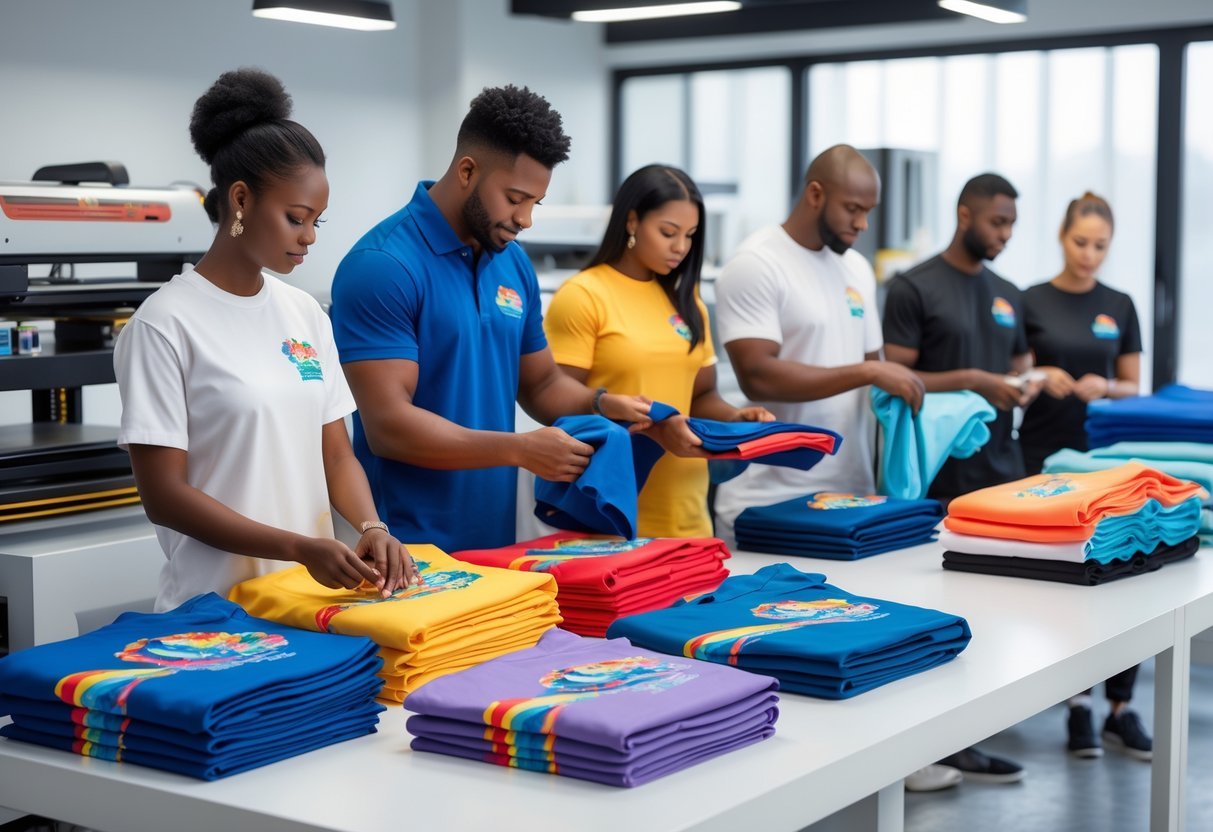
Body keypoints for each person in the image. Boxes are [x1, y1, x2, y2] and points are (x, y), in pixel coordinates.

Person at [114, 68, 416, 613]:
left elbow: (337, 454)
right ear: (240, 200)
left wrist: (371, 525)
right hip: (213, 611)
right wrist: (296, 547)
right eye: (296, 218)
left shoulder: (304, 314)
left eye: (318, 221)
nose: (310, 238)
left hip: (308, 603)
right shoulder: (163, 324)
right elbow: (165, 497)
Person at [329, 86, 658, 554]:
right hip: (406, 549)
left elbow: (542, 385)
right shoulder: (382, 266)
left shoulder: (513, 263)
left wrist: (603, 403)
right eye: (515, 198)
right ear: (467, 171)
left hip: (497, 542)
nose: (525, 219)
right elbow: (389, 427)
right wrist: (519, 449)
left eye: (534, 204)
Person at [882, 172, 1039, 788]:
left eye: (1011, 225)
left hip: (1003, 471)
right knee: (933, 612)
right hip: (936, 477)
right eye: (997, 222)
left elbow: (1022, 367)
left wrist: (1030, 381)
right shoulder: (914, 286)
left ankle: (966, 740)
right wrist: (974, 378)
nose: (1004, 234)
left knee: (991, 614)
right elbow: (896, 378)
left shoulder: (1008, 294)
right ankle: (926, 744)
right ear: (965, 213)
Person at [544, 164, 773, 539]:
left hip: (689, 515)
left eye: (690, 235)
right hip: (610, 516)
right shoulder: (583, 296)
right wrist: (613, 407)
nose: (680, 247)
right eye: (668, 232)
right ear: (632, 221)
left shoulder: (688, 302)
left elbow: (700, 396)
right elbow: (554, 403)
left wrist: (736, 417)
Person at [711, 144, 924, 546]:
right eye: (852, 209)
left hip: (850, 494)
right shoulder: (757, 263)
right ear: (815, 194)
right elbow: (759, 376)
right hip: (769, 498)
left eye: (868, 212)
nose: (862, 224)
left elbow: (876, 375)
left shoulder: (857, 268)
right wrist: (870, 371)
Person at [1019, 193, 1149, 761]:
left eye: (1100, 245)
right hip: (1044, 456)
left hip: (1109, 458)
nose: (1089, 254)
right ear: (1061, 236)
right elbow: (1014, 377)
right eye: (1080, 242)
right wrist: (1042, 373)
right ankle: (1077, 705)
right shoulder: (1030, 300)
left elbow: (1133, 385)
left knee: (1124, 576)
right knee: (1067, 585)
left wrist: (1107, 387)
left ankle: (1121, 708)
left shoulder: (1120, 304)